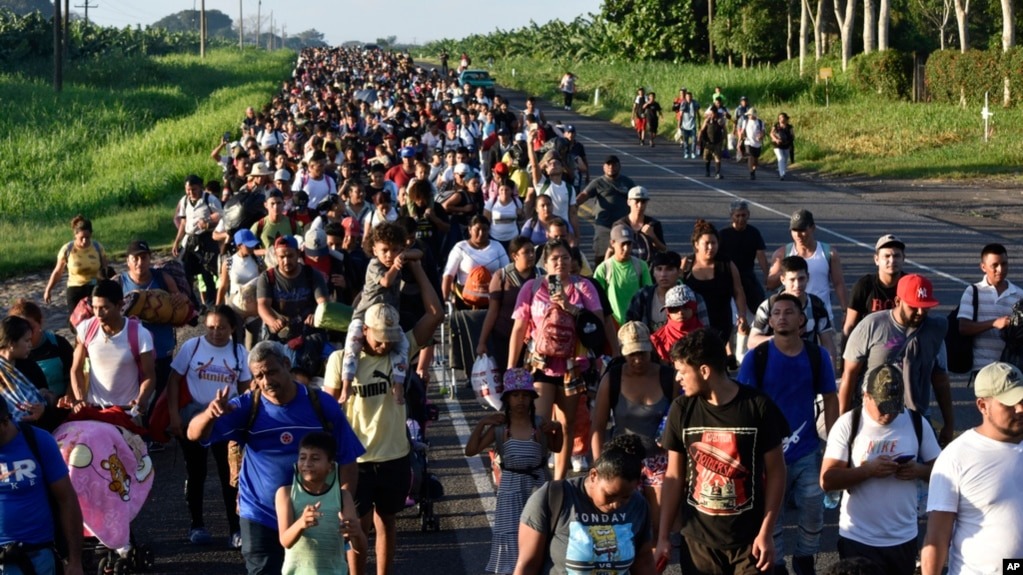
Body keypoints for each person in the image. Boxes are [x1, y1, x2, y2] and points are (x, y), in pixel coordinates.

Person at [187, 340, 365, 575]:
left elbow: (348, 459)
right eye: (259, 376)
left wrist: (342, 506)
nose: (266, 381)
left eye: (271, 371)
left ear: (286, 364)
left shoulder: (321, 405)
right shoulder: (246, 406)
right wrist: (210, 414)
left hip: (312, 514)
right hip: (260, 514)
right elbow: (193, 433)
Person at [323, 255, 444, 575]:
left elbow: (436, 314)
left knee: (387, 522)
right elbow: (326, 409)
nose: (386, 346)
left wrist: (417, 267)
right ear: (364, 332)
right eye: (380, 340)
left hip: (395, 456)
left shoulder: (399, 350)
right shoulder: (339, 360)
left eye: (391, 340)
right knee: (357, 526)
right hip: (356, 461)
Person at [655, 329, 789, 575]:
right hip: (698, 544)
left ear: (704, 371)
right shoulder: (681, 409)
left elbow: (777, 472)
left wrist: (766, 532)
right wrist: (663, 536)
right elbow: (674, 476)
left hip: (750, 544)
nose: (677, 378)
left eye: (682, 371)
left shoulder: (758, 406)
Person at [737, 293, 838, 575]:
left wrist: (835, 445)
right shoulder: (756, 357)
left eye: (789, 312)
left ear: (802, 321)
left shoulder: (817, 356)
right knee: (773, 515)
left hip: (806, 450)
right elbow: (742, 405)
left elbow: (830, 398)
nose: (782, 316)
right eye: (776, 313)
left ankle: (805, 559)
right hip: (767, 454)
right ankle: (777, 565)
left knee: (814, 508)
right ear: (769, 321)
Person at [507, 239, 614, 480]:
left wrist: (569, 307)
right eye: (554, 258)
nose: (560, 263)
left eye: (565, 258)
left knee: (567, 426)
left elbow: (596, 324)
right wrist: (510, 369)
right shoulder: (532, 288)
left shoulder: (584, 287)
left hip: (572, 367)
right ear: (544, 263)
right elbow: (519, 329)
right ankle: (540, 473)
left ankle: (559, 481)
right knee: (540, 423)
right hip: (540, 365)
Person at [821, 364, 940, 575]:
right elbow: (827, 480)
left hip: (902, 538)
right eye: (883, 406)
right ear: (866, 396)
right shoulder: (848, 424)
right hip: (858, 538)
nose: (889, 414)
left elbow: (943, 472)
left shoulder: (916, 422)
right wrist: (867, 471)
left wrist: (919, 471)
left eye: (895, 406)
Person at [922, 361, 1023, 575]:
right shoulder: (957, 457)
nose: (1020, 408)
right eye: (1009, 403)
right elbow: (937, 538)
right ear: (982, 406)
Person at [167, 306, 251, 548]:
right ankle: (196, 525)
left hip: (226, 419)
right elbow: (173, 382)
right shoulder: (191, 347)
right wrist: (174, 416)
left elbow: (245, 389)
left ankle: (235, 529)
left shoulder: (239, 352)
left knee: (230, 475)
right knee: (196, 472)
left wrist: (246, 421)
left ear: (232, 328)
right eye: (211, 327)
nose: (216, 333)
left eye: (222, 327)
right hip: (194, 416)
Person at [465, 369, 563, 575]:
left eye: (525, 395)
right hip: (510, 488)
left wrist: (557, 428)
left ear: (532, 399)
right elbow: (471, 450)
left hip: (538, 486)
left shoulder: (539, 424)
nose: (521, 400)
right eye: (516, 395)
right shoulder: (500, 428)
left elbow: (557, 447)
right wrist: (482, 423)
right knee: (511, 535)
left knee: (540, 533)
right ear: (507, 399)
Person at [514, 434, 656, 575]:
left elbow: (644, 561)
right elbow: (527, 565)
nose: (616, 504)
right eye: (610, 496)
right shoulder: (552, 497)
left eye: (625, 497)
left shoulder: (638, 504)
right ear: (593, 475)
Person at [840, 274, 954, 447]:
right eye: (914, 307)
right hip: (874, 417)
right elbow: (850, 374)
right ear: (898, 300)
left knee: (922, 471)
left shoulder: (934, 331)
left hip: (917, 417)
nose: (920, 312)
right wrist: (843, 423)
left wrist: (949, 423)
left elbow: (940, 379)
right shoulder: (872, 325)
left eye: (926, 307)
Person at [590, 322, 677, 540]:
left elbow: (679, 423)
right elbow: (598, 428)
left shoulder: (668, 377)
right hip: (623, 461)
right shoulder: (613, 379)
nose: (637, 360)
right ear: (622, 351)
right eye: (631, 354)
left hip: (660, 461)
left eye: (642, 353)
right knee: (624, 530)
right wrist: (600, 466)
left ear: (650, 349)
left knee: (659, 530)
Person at [0, 399, 85, 575]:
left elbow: (67, 499)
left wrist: (75, 561)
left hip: (37, 557)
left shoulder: (38, 441)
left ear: (5, 421)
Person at [336, 222, 416, 404]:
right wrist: (396, 265)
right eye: (385, 250)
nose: (389, 255)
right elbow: (386, 282)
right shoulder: (374, 265)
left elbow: (419, 253)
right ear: (374, 250)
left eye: (395, 250)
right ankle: (347, 385)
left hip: (388, 320)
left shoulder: (399, 258)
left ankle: (398, 384)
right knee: (352, 346)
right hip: (365, 317)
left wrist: (405, 255)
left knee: (402, 347)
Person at [275, 431, 367, 575]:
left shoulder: (343, 497)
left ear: (330, 466)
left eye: (315, 458)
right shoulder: (285, 494)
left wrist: (356, 532)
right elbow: (285, 541)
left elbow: (360, 547)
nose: (307, 464)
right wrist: (301, 523)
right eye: (302, 457)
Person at [65, 280, 155, 415]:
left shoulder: (140, 334)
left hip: (127, 411)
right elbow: (76, 369)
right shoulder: (85, 329)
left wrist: (141, 400)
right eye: (94, 307)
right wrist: (80, 399)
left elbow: (149, 375)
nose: (98, 314)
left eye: (104, 308)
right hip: (94, 409)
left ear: (120, 305)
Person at [748, 256, 839, 370]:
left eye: (801, 279)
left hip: (806, 369)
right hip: (774, 368)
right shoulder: (769, 306)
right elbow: (752, 342)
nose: (797, 285)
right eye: (792, 280)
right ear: (782, 279)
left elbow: (828, 345)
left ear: (808, 277)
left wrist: (831, 376)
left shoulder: (817, 305)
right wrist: (780, 338)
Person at [681, 220, 748, 367]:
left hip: (721, 323)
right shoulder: (686, 264)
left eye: (714, 243)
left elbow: (738, 291)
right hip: (694, 324)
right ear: (696, 244)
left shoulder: (727, 265)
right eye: (707, 243)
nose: (711, 247)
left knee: (715, 363)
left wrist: (742, 315)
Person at [768, 209, 848, 323]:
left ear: (813, 228)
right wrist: (787, 269)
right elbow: (770, 284)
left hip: (821, 316)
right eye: (794, 230)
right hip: (792, 319)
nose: (798, 235)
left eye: (802, 230)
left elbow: (839, 283)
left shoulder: (829, 253)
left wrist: (845, 311)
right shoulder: (782, 254)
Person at [956, 243, 1023, 377]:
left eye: (1004, 264)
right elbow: (963, 327)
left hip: (1012, 367)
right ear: (983, 267)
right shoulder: (973, 292)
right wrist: (994, 323)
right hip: (983, 368)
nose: (1000, 269)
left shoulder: (1019, 295)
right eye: (995, 265)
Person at [476, 237, 539, 373]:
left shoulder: (541, 276)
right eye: (526, 252)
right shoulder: (501, 277)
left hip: (533, 340)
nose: (531, 255)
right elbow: (492, 311)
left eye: (533, 251)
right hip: (504, 337)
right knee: (509, 378)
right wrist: (482, 342)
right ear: (514, 256)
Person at [256, 235, 329, 343]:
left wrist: (316, 315)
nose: (286, 261)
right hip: (281, 336)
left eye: (290, 256)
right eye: (282, 257)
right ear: (276, 256)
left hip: (310, 334)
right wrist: (273, 322)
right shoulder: (267, 277)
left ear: (298, 254)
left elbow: (323, 303)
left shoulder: (312, 274)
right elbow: (262, 305)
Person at [172, 174, 223, 308]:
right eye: (188, 189)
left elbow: (220, 214)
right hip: (189, 239)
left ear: (200, 187)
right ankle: (192, 303)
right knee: (183, 269)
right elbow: (183, 222)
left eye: (193, 189)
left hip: (205, 238)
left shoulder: (209, 199)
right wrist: (177, 241)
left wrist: (207, 221)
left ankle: (210, 304)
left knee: (207, 272)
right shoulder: (184, 201)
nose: (191, 192)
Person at [43, 215, 110, 314]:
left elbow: (106, 270)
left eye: (87, 237)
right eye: (81, 238)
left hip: (94, 288)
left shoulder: (97, 247)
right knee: (76, 321)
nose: (85, 241)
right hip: (75, 288)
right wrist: (48, 290)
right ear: (75, 235)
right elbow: (57, 272)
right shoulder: (67, 249)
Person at [7, 299, 74, 399]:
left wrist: (69, 395)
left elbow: (75, 375)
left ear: (40, 322)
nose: (27, 333)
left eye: (31, 327)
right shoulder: (11, 353)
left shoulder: (58, 344)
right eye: (21, 330)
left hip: (62, 404)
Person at [843, 234, 906, 338]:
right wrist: (845, 353)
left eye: (896, 256)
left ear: (904, 258)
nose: (892, 260)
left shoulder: (911, 285)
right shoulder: (864, 286)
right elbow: (849, 325)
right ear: (876, 259)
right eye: (887, 256)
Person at [577, 155, 636, 265]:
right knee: (601, 255)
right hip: (604, 225)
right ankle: (598, 278)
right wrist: (572, 205)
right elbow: (584, 194)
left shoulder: (627, 182)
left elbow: (636, 199)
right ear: (603, 167)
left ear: (619, 166)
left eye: (614, 164)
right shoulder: (598, 182)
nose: (611, 167)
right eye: (608, 164)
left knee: (624, 254)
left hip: (623, 225)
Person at [441, 215, 510, 309]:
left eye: (485, 229)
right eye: (477, 229)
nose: (481, 233)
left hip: (492, 299)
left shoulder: (497, 246)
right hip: (464, 299)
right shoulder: (460, 247)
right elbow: (448, 275)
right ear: (470, 229)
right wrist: (444, 298)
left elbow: (507, 273)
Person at [717, 200, 769, 316]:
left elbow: (761, 255)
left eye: (743, 215)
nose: (741, 219)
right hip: (728, 276)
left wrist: (767, 275)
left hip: (747, 275)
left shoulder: (753, 233)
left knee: (760, 304)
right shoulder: (723, 235)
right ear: (731, 216)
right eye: (737, 216)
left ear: (748, 215)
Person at [594, 224, 653, 326]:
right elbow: (596, 300)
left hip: (636, 325)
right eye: (623, 244)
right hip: (613, 326)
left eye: (629, 244)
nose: (626, 248)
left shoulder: (641, 266)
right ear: (612, 243)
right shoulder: (603, 269)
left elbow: (649, 294)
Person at [0, 316, 54, 427]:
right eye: (26, 340)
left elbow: (48, 397)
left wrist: (43, 408)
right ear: (11, 343)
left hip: (37, 429)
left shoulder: (30, 367)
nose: (30, 344)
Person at [609, 186, 666, 264]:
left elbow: (663, 249)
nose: (640, 205)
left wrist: (653, 237)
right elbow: (611, 249)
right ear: (629, 202)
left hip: (649, 268)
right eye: (637, 201)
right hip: (626, 267)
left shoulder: (653, 224)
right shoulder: (619, 225)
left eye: (643, 202)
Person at [650, 285, 703, 363]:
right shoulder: (657, 340)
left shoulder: (706, 337)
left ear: (694, 308)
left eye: (686, 306)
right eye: (674, 308)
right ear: (668, 312)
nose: (680, 312)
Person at [699, 106, 727, 179]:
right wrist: (699, 139)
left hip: (717, 141)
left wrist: (725, 140)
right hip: (708, 142)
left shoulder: (720, 120)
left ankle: (717, 173)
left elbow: (724, 130)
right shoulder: (707, 120)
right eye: (710, 113)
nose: (710, 115)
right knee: (707, 158)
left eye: (712, 114)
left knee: (717, 157)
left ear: (715, 113)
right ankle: (707, 171)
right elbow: (702, 130)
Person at [742, 108, 765, 179]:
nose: (749, 116)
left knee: (755, 159)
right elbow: (742, 131)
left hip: (757, 143)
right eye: (748, 115)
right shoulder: (745, 122)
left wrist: (761, 136)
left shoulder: (760, 122)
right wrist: (742, 138)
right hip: (748, 142)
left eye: (750, 115)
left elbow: (763, 131)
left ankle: (754, 170)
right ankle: (751, 172)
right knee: (750, 157)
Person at [770, 113, 795, 180]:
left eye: (783, 117)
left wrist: (789, 142)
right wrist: (776, 139)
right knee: (781, 158)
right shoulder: (776, 126)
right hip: (777, 145)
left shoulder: (790, 127)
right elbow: (771, 133)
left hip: (786, 145)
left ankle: (783, 172)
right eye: (780, 118)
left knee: (785, 160)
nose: (781, 119)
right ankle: (782, 174)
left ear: (786, 119)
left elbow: (793, 136)